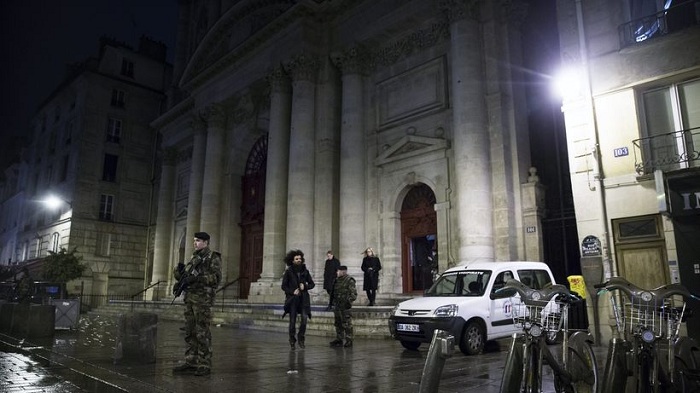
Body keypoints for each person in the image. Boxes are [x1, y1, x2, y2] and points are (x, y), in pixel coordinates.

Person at [172, 231, 222, 376]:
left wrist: (197, 279)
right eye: (194, 240)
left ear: (206, 242)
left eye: (198, 241)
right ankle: (191, 361)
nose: (195, 243)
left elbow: (216, 279)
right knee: (190, 331)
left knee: (202, 332)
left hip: (203, 300)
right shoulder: (194, 257)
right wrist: (179, 274)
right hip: (190, 298)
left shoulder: (213, 257)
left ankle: (204, 364)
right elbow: (186, 277)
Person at [281, 249, 315, 350]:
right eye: (296, 259)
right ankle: (292, 339)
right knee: (292, 322)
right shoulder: (288, 272)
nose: (299, 260)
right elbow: (284, 286)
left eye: (300, 258)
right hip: (293, 301)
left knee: (304, 320)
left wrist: (305, 286)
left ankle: (301, 339)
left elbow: (312, 284)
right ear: (292, 260)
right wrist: (292, 291)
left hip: (304, 300)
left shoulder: (305, 271)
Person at [329, 265, 357, 347]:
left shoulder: (349, 280)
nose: (337, 273)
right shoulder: (336, 280)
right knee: (338, 323)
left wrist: (348, 302)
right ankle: (339, 339)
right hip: (337, 305)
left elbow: (353, 294)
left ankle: (349, 340)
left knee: (347, 323)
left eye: (338, 271)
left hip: (345, 306)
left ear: (343, 272)